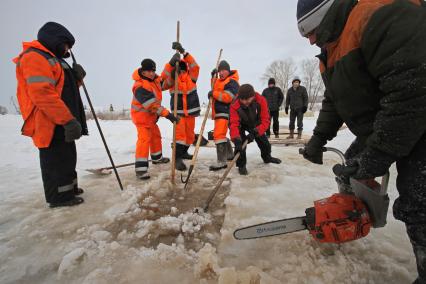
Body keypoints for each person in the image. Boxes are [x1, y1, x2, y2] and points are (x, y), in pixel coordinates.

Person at [296, 0, 426, 282]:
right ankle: (350, 222)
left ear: (325, 17)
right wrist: (318, 139)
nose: (310, 41)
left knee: (420, 203)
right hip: (385, 124)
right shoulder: (331, 51)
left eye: (310, 32)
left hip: (417, 118)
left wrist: (378, 155)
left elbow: (412, 90)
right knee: (350, 171)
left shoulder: (377, 14)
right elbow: (334, 100)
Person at [13, 22, 88, 208]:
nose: (68, 50)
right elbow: (43, 94)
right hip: (49, 120)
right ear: (56, 41)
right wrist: (68, 119)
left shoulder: (53, 59)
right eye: (66, 45)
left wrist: (77, 78)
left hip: (61, 119)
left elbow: (65, 90)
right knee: (55, 158)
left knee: (67, 155)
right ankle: (60, 197)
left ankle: (68, 188)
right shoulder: (35, 57)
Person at [131, 58, 179, 180]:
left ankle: (157, 158)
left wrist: (171, 64)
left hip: (151, 119)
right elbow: (152, 105)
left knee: (156, 136)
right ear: (143, 72)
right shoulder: (140, 86)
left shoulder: (154, 81)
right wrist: (168, 115)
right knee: (144, 140)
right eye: (149, 71)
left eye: (153, 71)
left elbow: (164, 76)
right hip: (142, 119)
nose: (152, 73)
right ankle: (141, 169)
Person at [161, 42, 201, 171]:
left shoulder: (192, 77)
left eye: (184, 68)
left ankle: (183, 152)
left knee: (189, 136)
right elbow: (160, 83)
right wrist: (171, 64)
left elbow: (195, 65)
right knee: (180, 136)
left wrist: (184, 52)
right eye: (180, 69)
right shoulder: (172, 80)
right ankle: (177, 158)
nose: (182, 71)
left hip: (191, 113)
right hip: (178, 113)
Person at [230, 84, 281, 175]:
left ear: (253, 96)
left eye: (247, 99)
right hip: (240, 124)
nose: (244, 101)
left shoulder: (261, 100)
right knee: (240, 144)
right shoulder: (235, 104)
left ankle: (267, 157)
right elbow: (234, 124)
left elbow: (266, 120)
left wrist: (255, 132)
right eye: (242, 99)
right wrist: (236, 139)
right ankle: (241, 165)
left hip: (255, 123)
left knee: (265, 144)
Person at [208, 60, 240, 171]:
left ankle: (221, 162)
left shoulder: (232, 82)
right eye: (220, 71)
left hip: (226, 112)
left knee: (218, 135)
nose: (221, 73)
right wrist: (213, 76)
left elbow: (228, 97)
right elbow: (215, 87)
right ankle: (230, 155)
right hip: (218, 112)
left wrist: (214, 94)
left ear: (228, 70)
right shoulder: (220, 80)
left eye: (223, 71)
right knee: (220, 134)